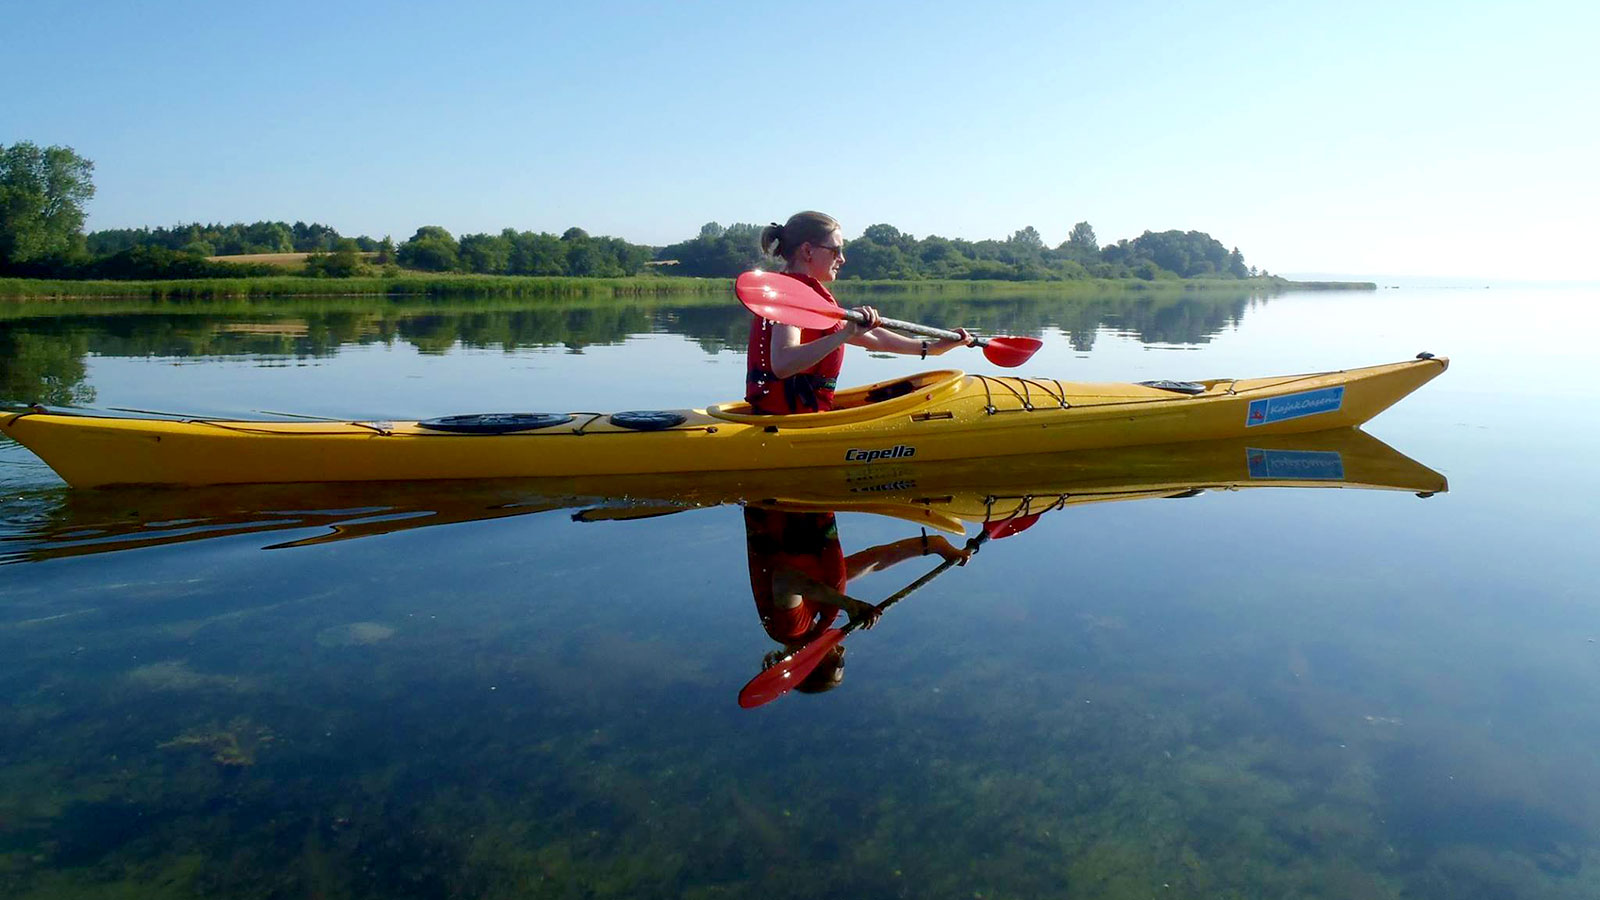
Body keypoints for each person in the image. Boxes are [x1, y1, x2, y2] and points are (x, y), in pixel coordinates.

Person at [747, 211, 974, 414]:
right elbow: (783, 363)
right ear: (807, 251)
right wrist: (843, 335)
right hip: (788, 419)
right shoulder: (791, 297)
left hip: (803, 412)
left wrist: (932, 348)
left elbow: (873, 337)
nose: (842, 259)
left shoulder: (809, 295)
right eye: (835, 250)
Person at [744, 506, 970, 694]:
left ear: (810, 664)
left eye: (837, 663)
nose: (842, 652)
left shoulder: (790, 629)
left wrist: (849, 605)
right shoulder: (819, 607)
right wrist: (934, 547)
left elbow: (784, 579)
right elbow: (874, 562)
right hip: (803, 502)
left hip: (779, 501)